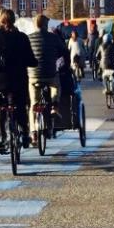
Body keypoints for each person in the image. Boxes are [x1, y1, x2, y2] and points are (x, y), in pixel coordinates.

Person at [0, 9, 37, 153]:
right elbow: (31, 59)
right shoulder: (22, 38)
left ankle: (1, 138)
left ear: (0, 21)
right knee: (20, 105)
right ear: (13, 20)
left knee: (0, 107)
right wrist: (33, 63)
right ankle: (25, 134)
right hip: (17, 81)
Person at [28, 14, 67, 145]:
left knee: (33, 103)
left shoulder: (29, 38)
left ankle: (33, 133)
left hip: (33, 76)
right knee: (56, 86)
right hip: (50, 73)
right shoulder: (54, 38)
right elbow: (64, 51)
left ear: (35, 25)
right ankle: (55, 107)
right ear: (45, 25)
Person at [96, 33, 114, 97]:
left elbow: (97, 56)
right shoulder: (113, 45)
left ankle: (106, 88)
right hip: (112, 64)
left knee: (103, 76)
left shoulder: (101, 46)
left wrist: (99, 60)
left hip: (104, 65)